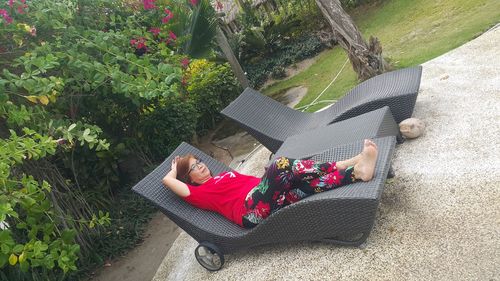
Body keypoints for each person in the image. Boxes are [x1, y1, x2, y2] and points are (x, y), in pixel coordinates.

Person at [162, 139, 378, 228]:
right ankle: (345, 163)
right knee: (281, 164)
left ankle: (357, 173)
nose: (200, 166)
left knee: (303, 184)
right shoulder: (199, 194)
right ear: (189, 179)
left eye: (199, 162)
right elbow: (167, 181)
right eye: (193, 168)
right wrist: (174, 170)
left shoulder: (221, 176)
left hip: (266, 198)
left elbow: (257, 184)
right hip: (250, 211)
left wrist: (273, 180)